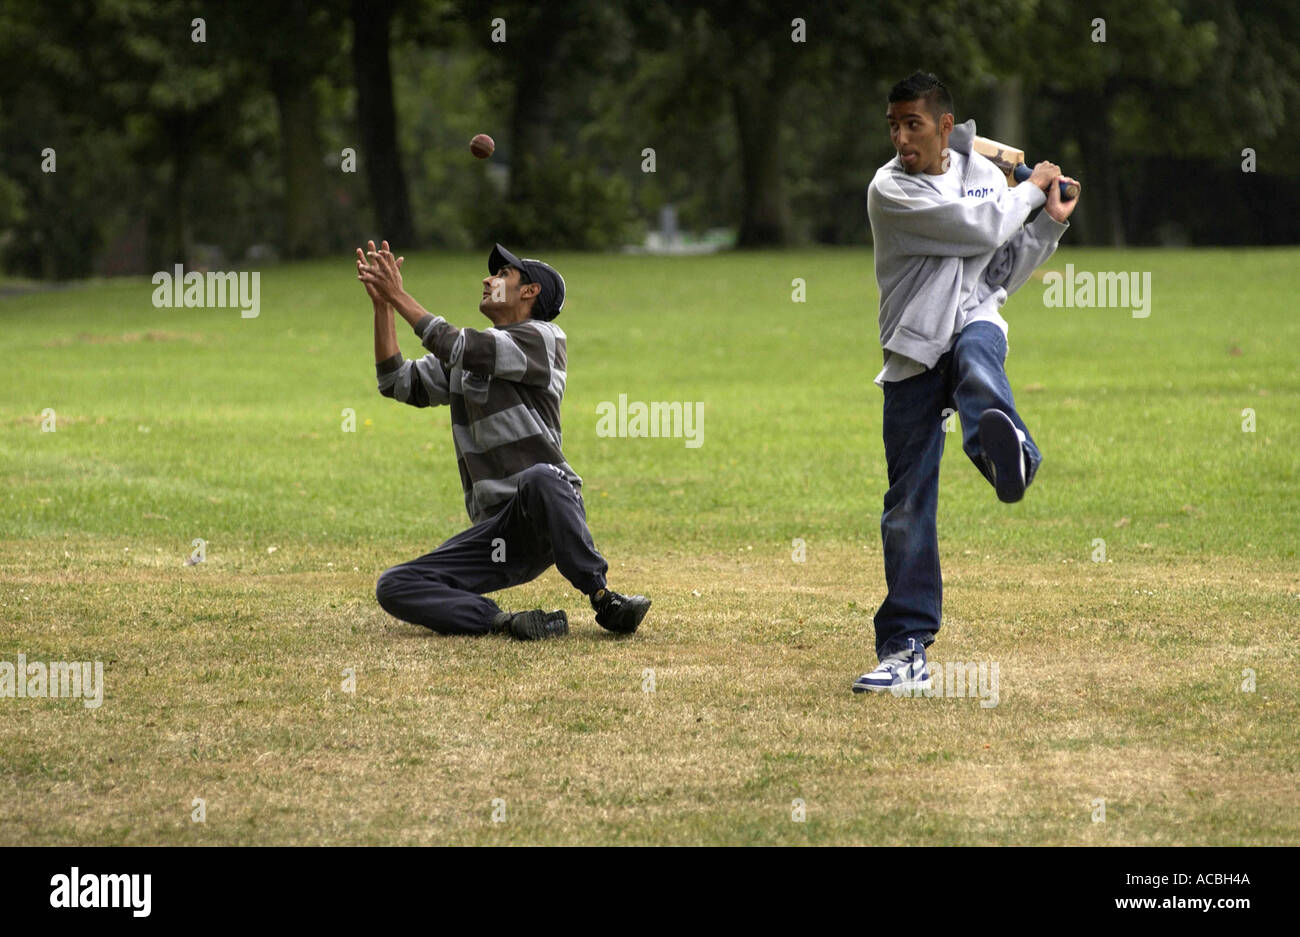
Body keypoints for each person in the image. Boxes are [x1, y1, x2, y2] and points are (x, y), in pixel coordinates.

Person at [856, 72, 1079, 693]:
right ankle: (905, 649)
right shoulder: (890, 189)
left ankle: (1011, 460)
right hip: (912, 351)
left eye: (913, 124)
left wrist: (1048, 225)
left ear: (946, 127)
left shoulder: (982, 176)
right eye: (893, 125)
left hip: (973, 320)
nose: (901, 137)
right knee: (907, 506)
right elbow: (979, 228)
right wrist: (1034, 190)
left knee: (980, 358)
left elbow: (1001, 265)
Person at [356, 239, 651, 640]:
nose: (487, 278)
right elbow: (396, 381)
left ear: (531, 292)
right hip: (497, 532)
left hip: (546, 511)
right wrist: (382, 306)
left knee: (540, 477)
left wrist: (399, 294)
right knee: (395, 586)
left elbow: (461, 345)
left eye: (502, 274)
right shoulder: (469, 359)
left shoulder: (544, 340)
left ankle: (603, 598)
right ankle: (505, 622)